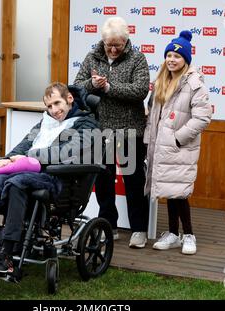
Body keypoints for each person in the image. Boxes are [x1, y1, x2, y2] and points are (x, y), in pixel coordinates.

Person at [0, 82, 99, 274]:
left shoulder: (87, 124)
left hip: (59, 178)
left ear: (69, 99)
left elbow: (66, 152)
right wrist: (6, 161)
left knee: (17, 183)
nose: (54, 110)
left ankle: (6, 254)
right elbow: (25, 144)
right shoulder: (44, 123)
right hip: (28, 172)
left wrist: (29, 157)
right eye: (49, 106)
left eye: (57, 103)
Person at [74, 17, 150, 249]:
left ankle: (139, 229)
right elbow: (77, 86)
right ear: (103, 41)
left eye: (118, 44)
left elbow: (140, 90)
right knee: (103, 179)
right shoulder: (92, 57)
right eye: (110, 45)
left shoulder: (137, 58)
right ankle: (109, 225)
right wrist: (92, 85)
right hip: (100, 128)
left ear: (126, 41)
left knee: (134, 180)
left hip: (130, 129)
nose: (114, 49)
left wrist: (109, 88)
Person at [144, 30, 212, 255]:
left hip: (179, 146)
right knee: (170, 190)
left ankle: (189, 235)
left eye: (177, 56)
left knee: (179, 192)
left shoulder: (194, 84)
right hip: (161, 146)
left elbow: (202, 117)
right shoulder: (161, 81)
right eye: (169, 55)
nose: (172, 60)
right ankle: (173, 234)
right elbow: (153, 115)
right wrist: (149, 141)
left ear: (186, 60)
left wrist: (177, 138)